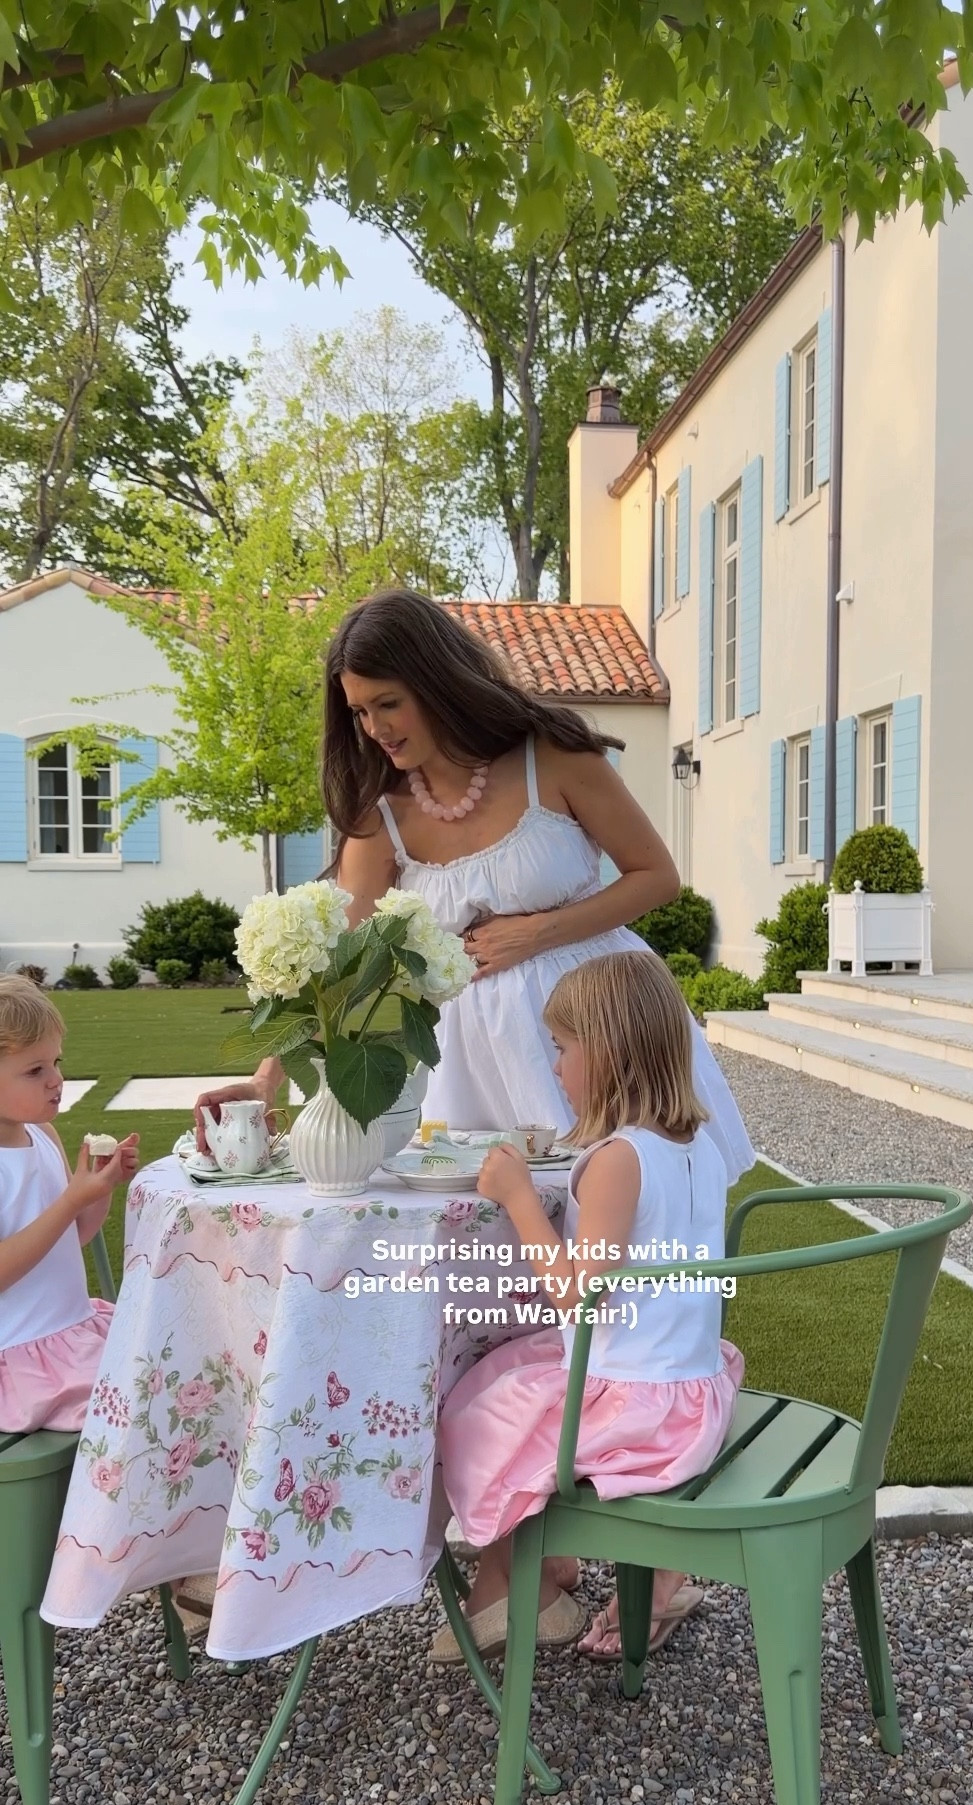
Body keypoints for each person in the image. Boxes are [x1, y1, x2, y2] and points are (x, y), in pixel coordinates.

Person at [195, 589, 754, 1184]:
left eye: (388, 703)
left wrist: (536, 933)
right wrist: (265, 1078)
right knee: (485, 1229)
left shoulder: (555, 759)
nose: (375, 727)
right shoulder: (382, 817)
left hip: (603, 1022)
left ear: (438, 684)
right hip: (471, 1054)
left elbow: (657, 877)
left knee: (632, 1224)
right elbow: (336, 969)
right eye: (359, 711)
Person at [427, 950, 745, 1664]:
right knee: (500, 1374)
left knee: (474, 1413)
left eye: (564, 1049)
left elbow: (576, 1295)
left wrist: (516, 1200)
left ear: (611, 1054)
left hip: (636, 1402)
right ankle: (561, 1572)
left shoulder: (616, 1160)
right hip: (688, 1382)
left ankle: (528, 1582)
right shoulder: (699, 1148)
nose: (556, 1069)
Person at [0, 976, 137, 1432]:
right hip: (23, 1356)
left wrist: (99, 1188)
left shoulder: (44, 1135)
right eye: (34, 1070)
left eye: (55, 1062)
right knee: (136, 1408)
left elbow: (75, 1235)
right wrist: (72, 1198)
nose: (56, 1080)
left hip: (75, 1330)